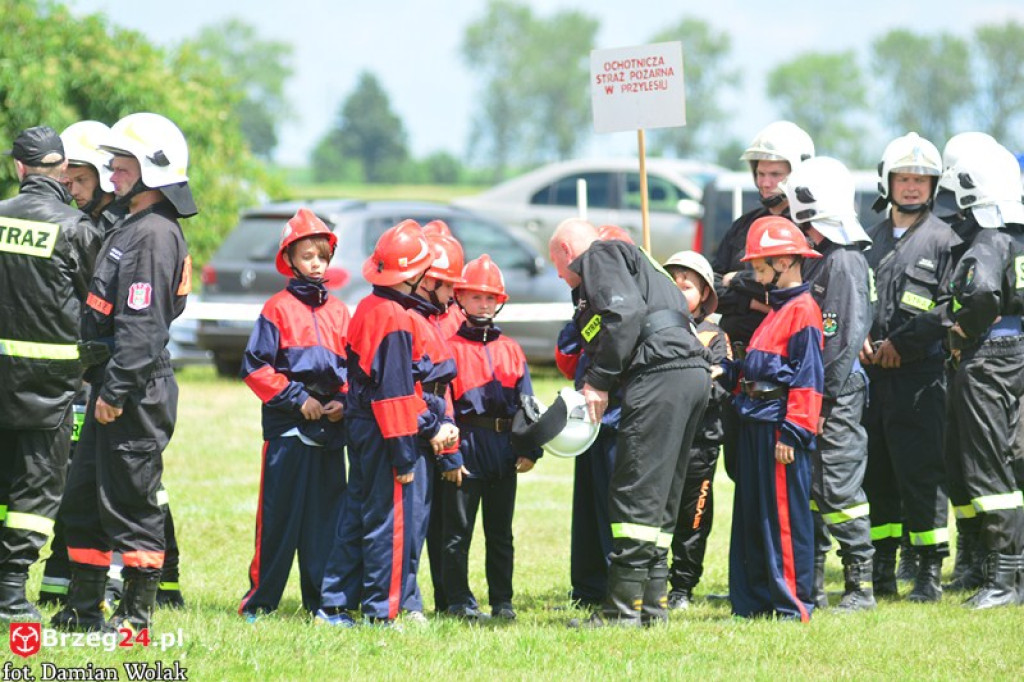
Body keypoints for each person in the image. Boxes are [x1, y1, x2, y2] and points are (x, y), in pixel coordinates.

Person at [51, 112, 195, 633]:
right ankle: (83, 611)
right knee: (84, 499)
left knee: (132, 504)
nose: (111, 171)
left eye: (122, 162)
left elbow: (142, 324)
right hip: (110, 384)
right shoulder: (132, 227)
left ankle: (136, 616)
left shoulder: (154, 235)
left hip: (131, 390)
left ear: (154, 168)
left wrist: (115, 390)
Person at [549, 219, 711, 628]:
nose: (558, 275)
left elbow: (622, 313)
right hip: (689, 374)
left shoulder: (599, 255)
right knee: (662, 495)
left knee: (635, 489)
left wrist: (599, 381)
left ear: (568, 252)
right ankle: (651, 608)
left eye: (556, 264)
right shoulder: (641, 263)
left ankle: (621, 610)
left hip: (658, 374)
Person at [316, 220, 458, 627]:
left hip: (363, 428)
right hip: (386, 433)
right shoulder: (394, 317)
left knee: (358, 515)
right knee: (389, 524)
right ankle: (385, 610)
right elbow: (394, 394)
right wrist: (403, 457)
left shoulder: (370, 306)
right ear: (413, 275)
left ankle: (335, 606)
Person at [0, 126, 102, 621]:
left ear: (19, 168)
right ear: (62, 170)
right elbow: (96, 303)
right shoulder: (79, 228)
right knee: (36, 489)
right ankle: (11, 592)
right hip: (53, 385)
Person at [859, 133, 959, 602]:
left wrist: (904, 344)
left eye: (921, 179)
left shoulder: (946, 241)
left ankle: (928, 575)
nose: (913, 187)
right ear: (888, 181)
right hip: (873, 379)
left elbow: (949, 307)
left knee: (921, 475)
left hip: (920, 377)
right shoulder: (869, 238)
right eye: (904, 177)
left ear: (934, 185)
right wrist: (859, 336)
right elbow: (855, 296)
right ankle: (882, 568)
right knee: (876, 473)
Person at [237, 208, 349, 619]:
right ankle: (260, 603)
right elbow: (254, 366)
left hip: (331, 434)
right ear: (290, 259)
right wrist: (297, 398)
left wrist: (345, 403)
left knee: (327, 523)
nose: (316, 263)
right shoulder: (277, 308)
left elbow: (353, 371)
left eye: (321, 255)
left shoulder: (339, 312)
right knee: (279, 521)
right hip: (288, 431)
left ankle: (324, 604)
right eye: (307, 256)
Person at [781, 156, 876, 611]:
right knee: (815, 488)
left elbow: (839, 344)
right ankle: (812, 584)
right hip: (818, 392)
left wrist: (820, 402)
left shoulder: (843, 263)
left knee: (838, 488)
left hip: (834, 394)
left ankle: (861, 586)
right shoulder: (827, 259)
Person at [719, 215, 824, 621]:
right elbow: (762, 369)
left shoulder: (803, 310)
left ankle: (792, 603)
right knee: (753, 513)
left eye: (760, 266)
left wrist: (794, 432)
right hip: (754, 419)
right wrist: (728, 373)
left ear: (783, 262)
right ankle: (754, 601)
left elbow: (808, 379)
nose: (755, 274)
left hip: (778, 426)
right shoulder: (776, 311)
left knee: (783, 516)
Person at [937, 141, 1024, 608]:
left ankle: (1003, 583)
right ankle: (1018, 575)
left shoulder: (988, 242)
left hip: (988, 359)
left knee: (987, 467)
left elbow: (981, 292)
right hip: (1019, 352)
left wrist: (961, 332)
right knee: (1014, 463)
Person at [441, 255, 542, 621]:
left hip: (503, 450)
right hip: (466, 445)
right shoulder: (448, 347)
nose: (483, 305)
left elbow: (527, 404)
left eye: (489, 298)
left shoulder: (511, 349)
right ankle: (457, 600)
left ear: (499, 302)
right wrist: (450, 455)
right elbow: (443, 406)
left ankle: (503, 601)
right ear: (460, 299)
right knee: (458, 532)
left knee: (500, 533)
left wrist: (531, 448)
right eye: (475, 297)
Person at [715, 121, 815, 481]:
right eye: (760, 173)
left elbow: (796, 291)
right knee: (738, 468)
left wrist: (736, 281)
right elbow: (711, 286)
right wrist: (748, 298)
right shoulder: (744, 226)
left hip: (780, 380)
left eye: (775, 173)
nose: (765, 182)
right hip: (738, 367)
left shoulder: (806, 229)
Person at [557, 224, 631, 609]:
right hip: (591, 416)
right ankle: (588, 588)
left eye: (560, 262)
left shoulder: (623, 296)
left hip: (620, 416)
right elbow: (567, 348)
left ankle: (616, 591)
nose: (558, 273)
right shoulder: (587, 295)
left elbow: (619, 339)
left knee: (614, 509)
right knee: (588, 508)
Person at [661, 251, 730, 610]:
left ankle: (683, 587)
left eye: (686, 285)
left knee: (693, 517)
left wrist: (692, 385)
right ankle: (652, 579)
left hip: (700, 443)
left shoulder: (714, 336)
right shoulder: (655, 329)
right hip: (662, 440)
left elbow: (722, 383)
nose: (678, 289)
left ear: (704, 294)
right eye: (672, 282)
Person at [419, 221, 466, 616]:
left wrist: (452, 451)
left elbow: (460, 391)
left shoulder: (456, 318)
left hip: (448, 432)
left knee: (447, 524)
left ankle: (448, 599)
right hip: (419, 429)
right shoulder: (412, 316)